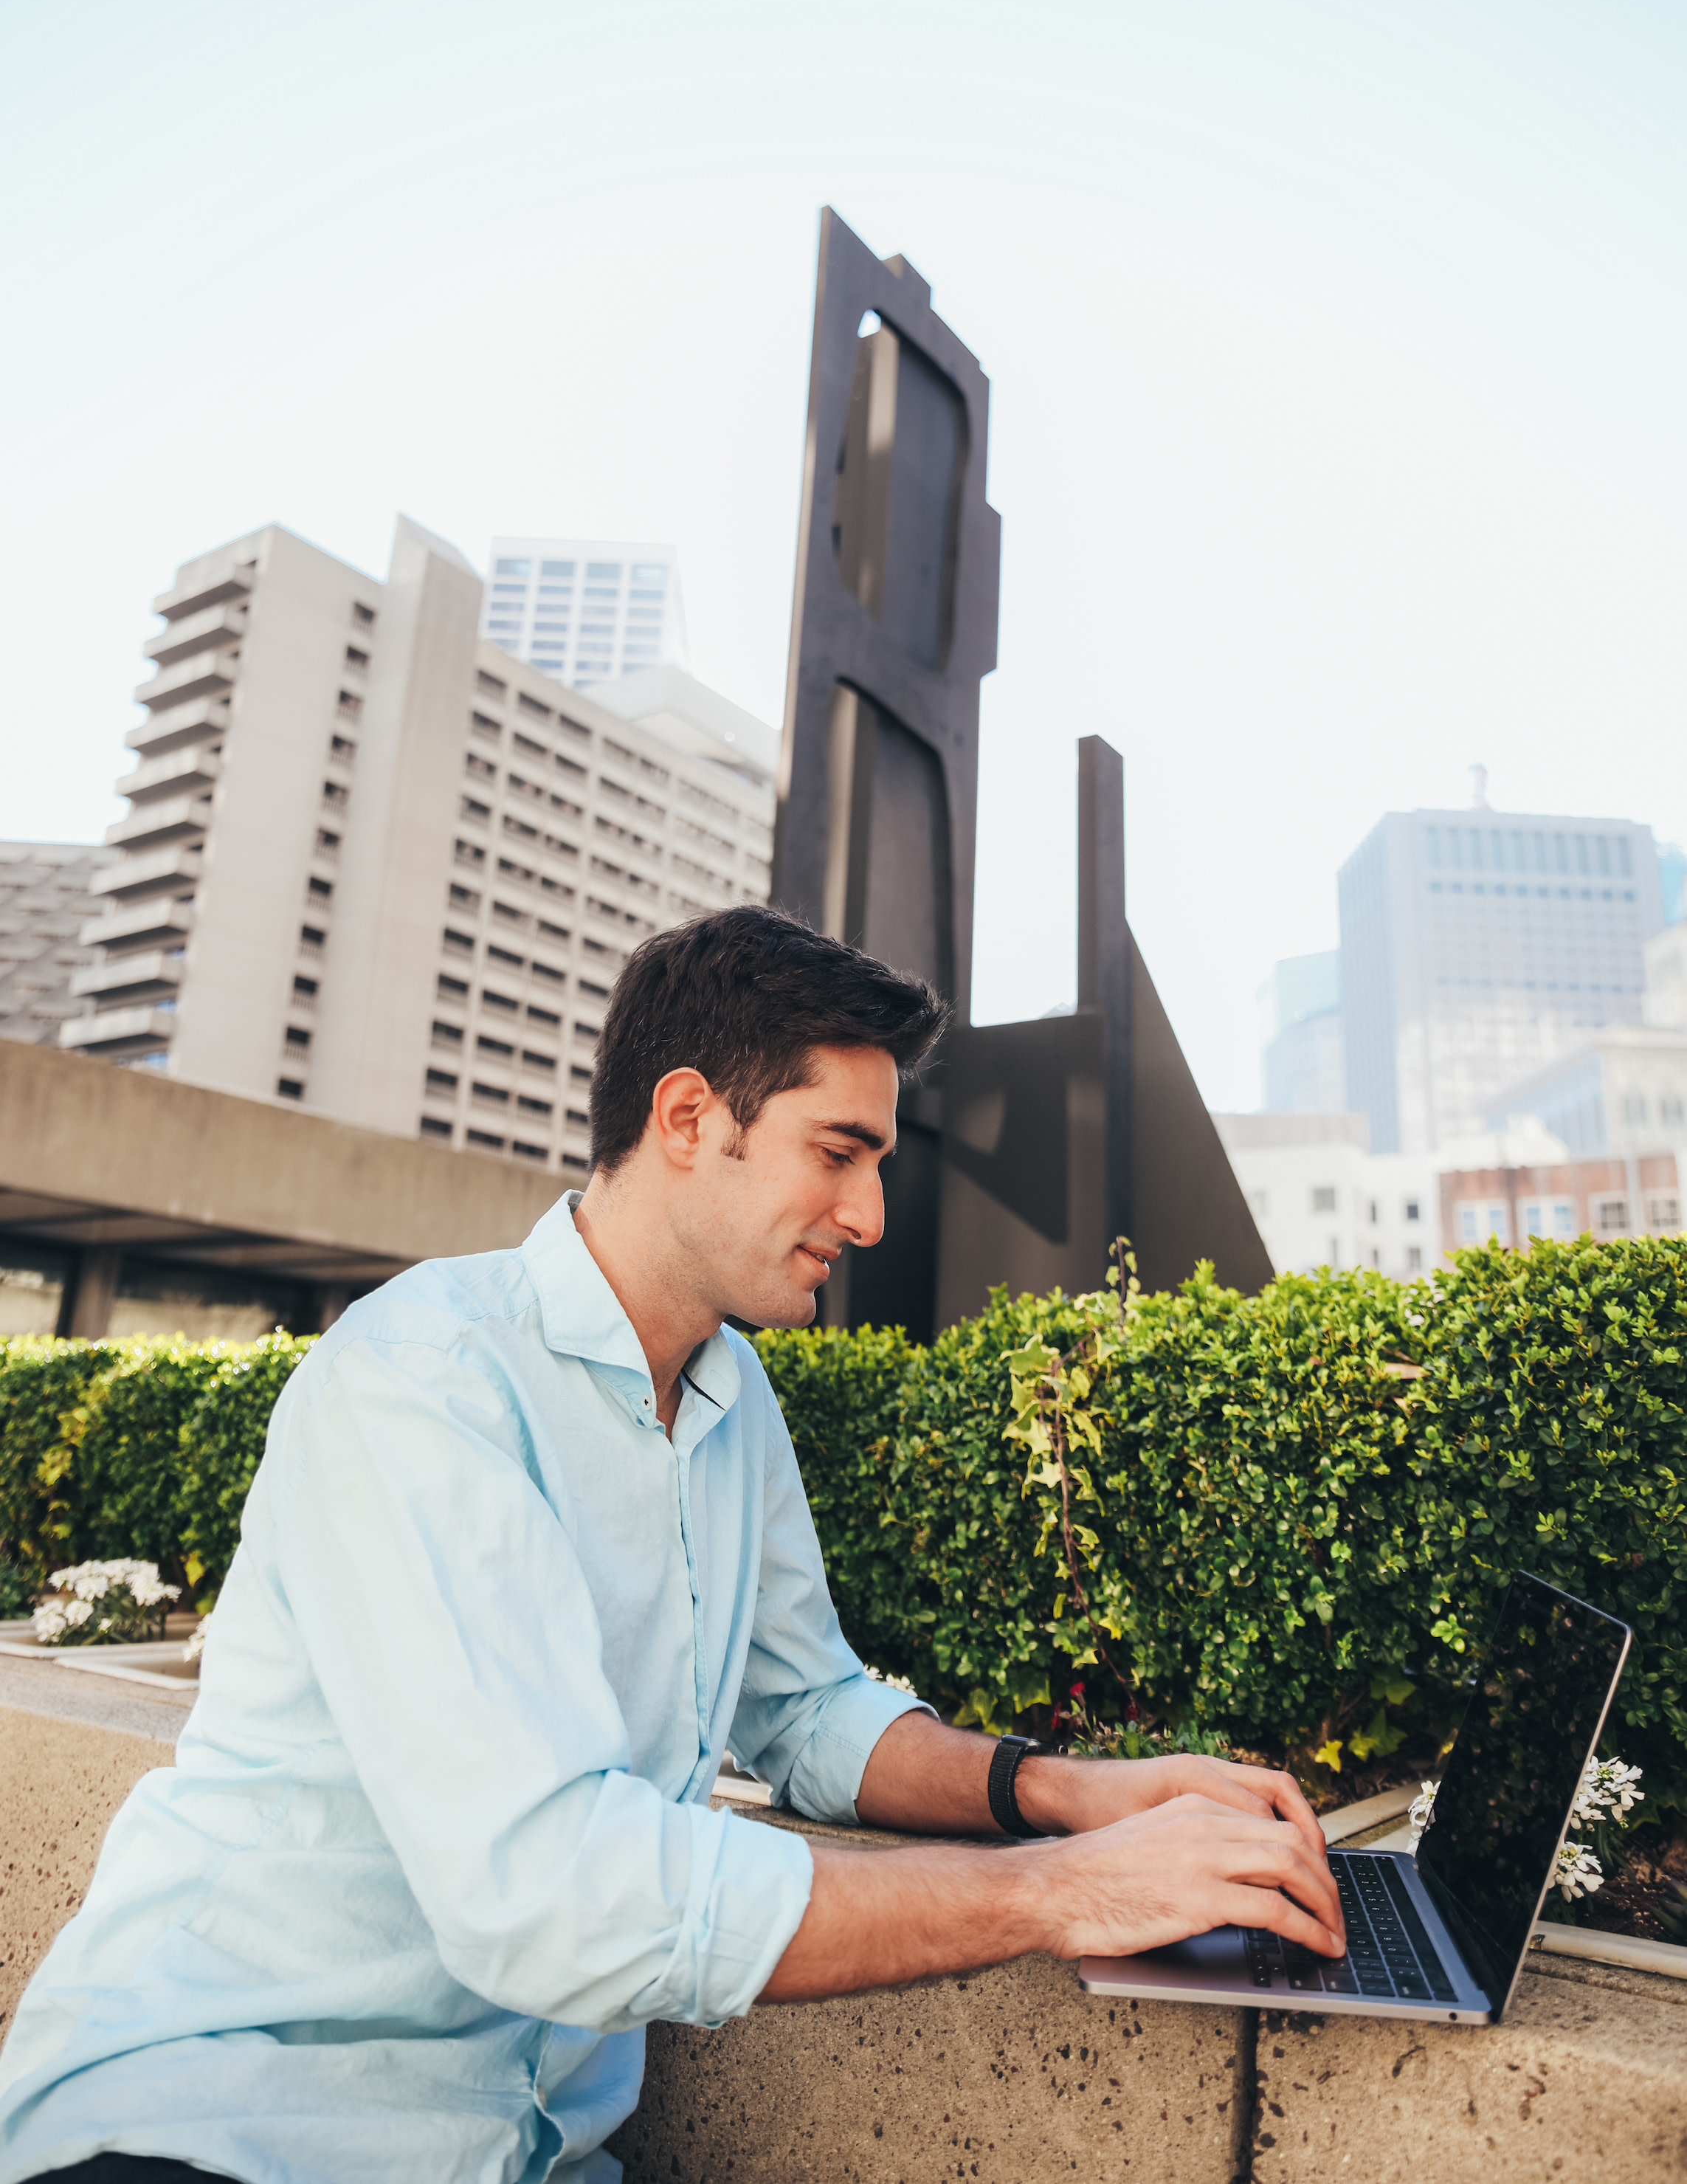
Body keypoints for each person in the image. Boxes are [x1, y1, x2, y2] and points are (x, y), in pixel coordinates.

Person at [0, 905, 1342, 2184]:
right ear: (690, 1116)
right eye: (838, 1151)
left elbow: (808, 1710)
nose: (869, 1214)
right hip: (218, 2122)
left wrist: (1071, 1793)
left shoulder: (729, 1393)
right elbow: (553, 1893)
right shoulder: (423, 1381)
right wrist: (1058, 1892)